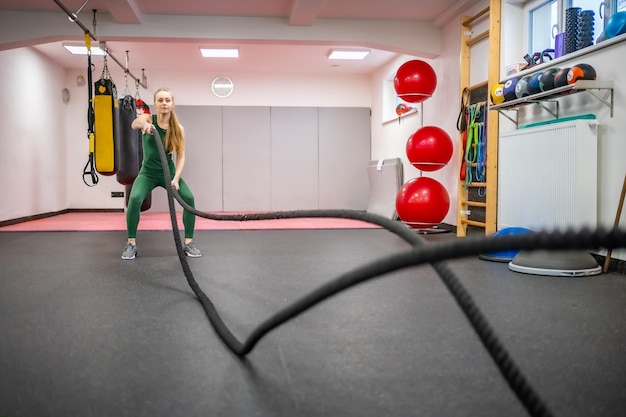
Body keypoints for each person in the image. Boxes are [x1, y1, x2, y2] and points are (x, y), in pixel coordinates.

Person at [122, 87, 201, 259]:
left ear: (172, 104)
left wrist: (176, 178)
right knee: (134, 199)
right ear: (155, 103)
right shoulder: (148, 118)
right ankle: (131, 243)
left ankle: (189, 242)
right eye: (160, 100)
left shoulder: (178, 128)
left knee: (189, 198)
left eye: (167, 100)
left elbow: (181, 157)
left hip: (168, 173)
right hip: (148, 173)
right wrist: (145, 125)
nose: (164, 103)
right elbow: (134, 124)